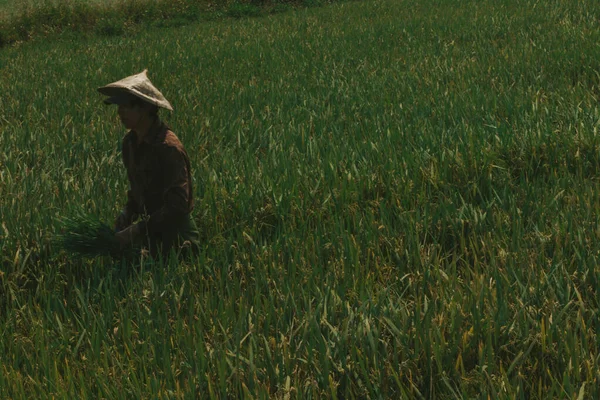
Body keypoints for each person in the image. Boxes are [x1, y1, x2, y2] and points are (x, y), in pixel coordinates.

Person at [98, 69, 200, 258]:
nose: (120, 112)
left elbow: (177, 206)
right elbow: (137, 190)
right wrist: (126, 214)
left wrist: (137, 229)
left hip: (176, 235)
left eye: (126, 106)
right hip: (149, 230)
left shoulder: (168, 148)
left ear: (144, 108)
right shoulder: (130, 143)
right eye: (118, 107)